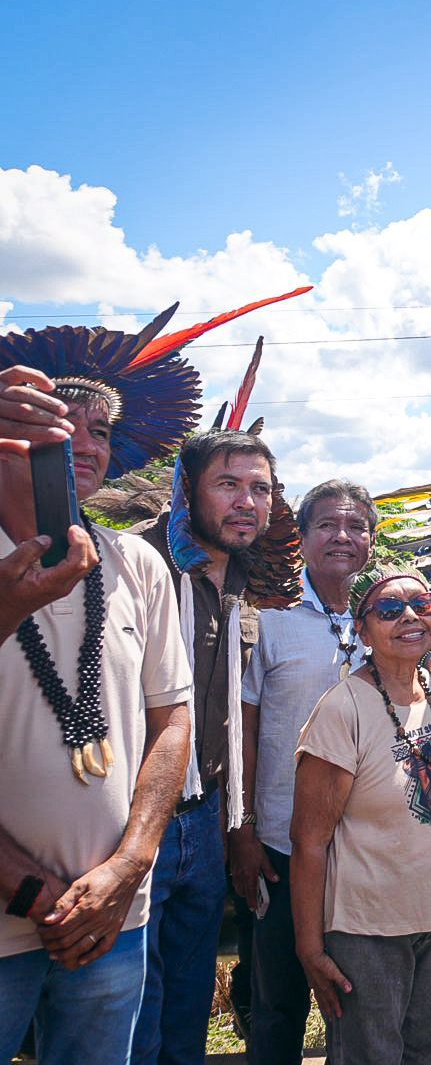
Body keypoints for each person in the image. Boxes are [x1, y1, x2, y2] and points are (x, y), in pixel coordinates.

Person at [0, 332, 199, 1062]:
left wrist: (130, 865)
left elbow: (172, 720)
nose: (82, 441)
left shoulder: (136, 562)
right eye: (58, 417)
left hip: (116, 917)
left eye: (102, 430)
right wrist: (24, 887)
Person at [132, 424, 303, 1063]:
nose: (245, 503)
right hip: (135, 817)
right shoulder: (142, 569)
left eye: (259, 489)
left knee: (185, 1006)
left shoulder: (239, 588)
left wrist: (238, 830)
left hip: (204, 820)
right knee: (128, 1012)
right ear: (187, 491)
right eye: (227, 484)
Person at [288, 568, 431, 1063]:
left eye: (422, 603)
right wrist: (310, 949)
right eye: (389, 610)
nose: (410, 617)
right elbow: (309, 842)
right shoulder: (343, 709)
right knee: (372, 1054)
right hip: (368, 926)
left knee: (423, 1050)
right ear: (362, 628)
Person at [230, 479, 377, 1063]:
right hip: (279, 845)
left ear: (371, 537)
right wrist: (240, 830)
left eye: (356, 526)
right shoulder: (266, 620)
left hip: (365, 846)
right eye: (327, 525)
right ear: (302, 536)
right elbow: (240, 729)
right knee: (278, 1003)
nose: (342, 537)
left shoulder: (388, 615)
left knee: (360, 1000)